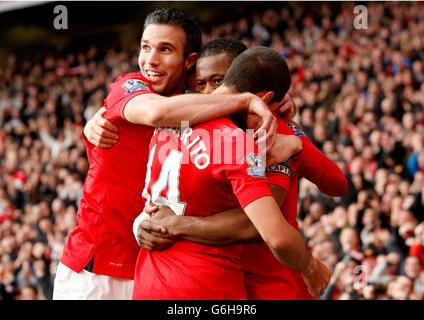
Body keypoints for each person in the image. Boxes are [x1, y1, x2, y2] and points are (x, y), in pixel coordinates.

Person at [53, 8, 278, 300]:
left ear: (189, 61)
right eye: (145, 47)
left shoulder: (208, 111)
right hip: (95, 270)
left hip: (153, 275)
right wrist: (246, 100)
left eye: (165, 49)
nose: (151, 60)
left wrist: (277, 103)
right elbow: (158, 112)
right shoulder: (130, 85)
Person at [137, 38, 347, 300]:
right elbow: (160, 200)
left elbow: (257, 224)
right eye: (201, 84)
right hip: (213, 278)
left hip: (271, 283)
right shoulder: (188, 122)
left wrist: (297, 144)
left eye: (218, 80)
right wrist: (142, 226)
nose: (210, 94)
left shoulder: (268, 133)